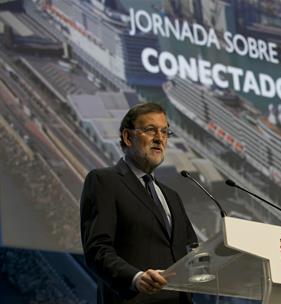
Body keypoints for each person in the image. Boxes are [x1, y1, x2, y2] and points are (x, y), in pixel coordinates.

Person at [80, 102, 197, 304]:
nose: (160, 139)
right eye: (150, 130)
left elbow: (191, 248)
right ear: (128, 137)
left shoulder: (172, 196)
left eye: (165, 132)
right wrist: (135, 278)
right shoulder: (104, 181)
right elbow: (97, 250)